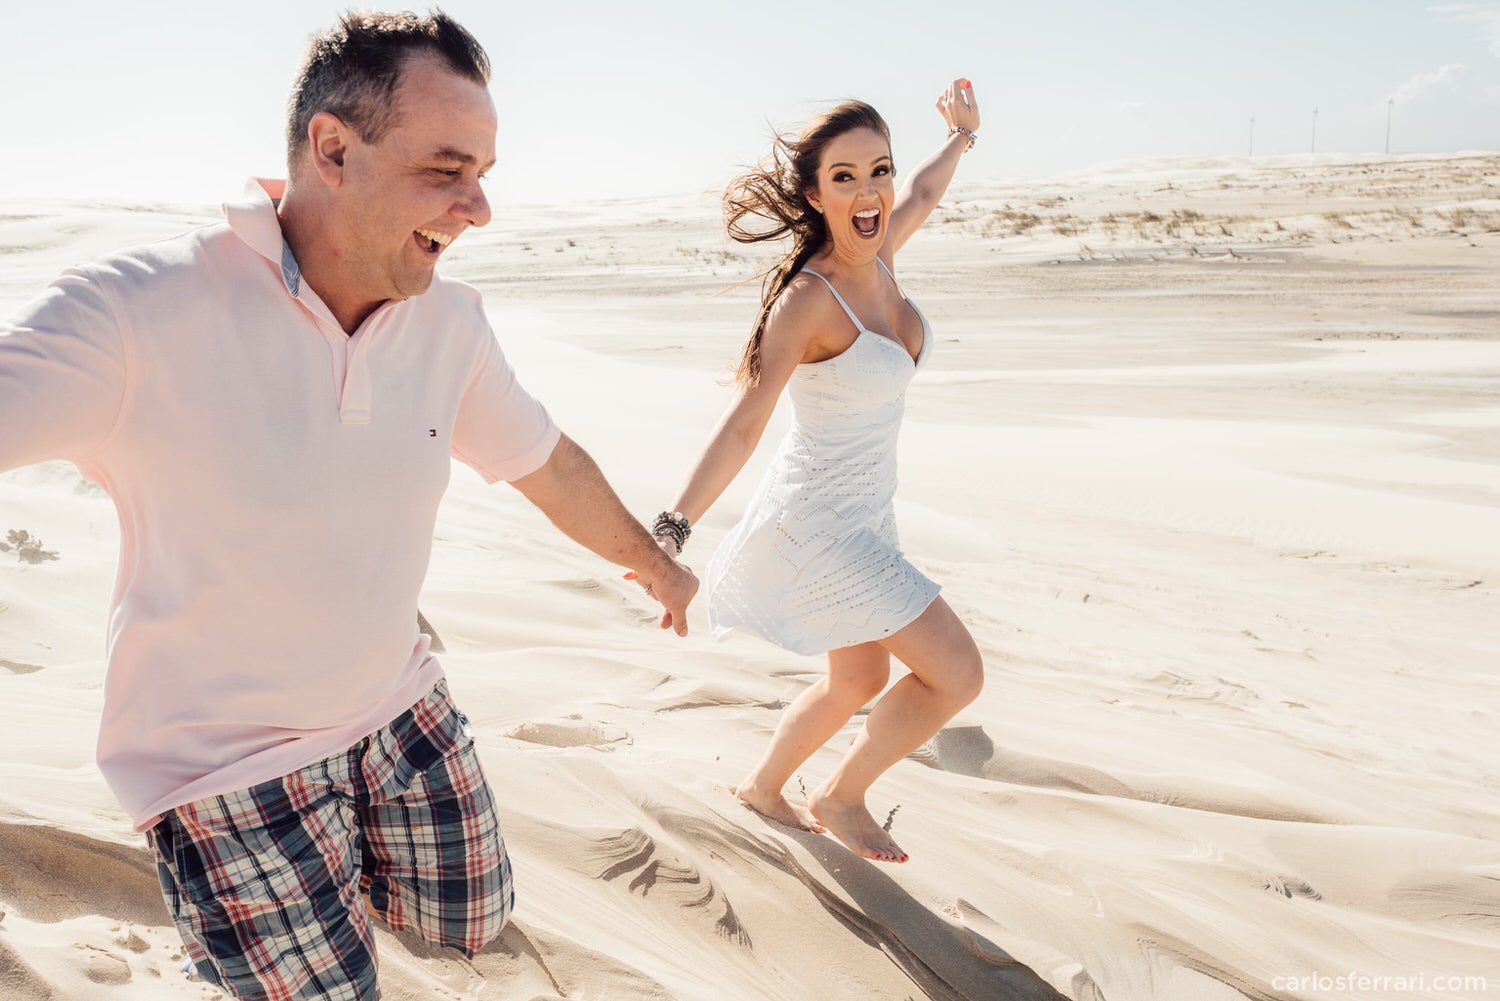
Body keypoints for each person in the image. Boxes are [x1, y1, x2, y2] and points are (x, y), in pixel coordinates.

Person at [0, 11, 696, 999]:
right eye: (448, 167)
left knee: (476, 914)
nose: (479, 206)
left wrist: (655, 561)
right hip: (226, 767)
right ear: (333, 146)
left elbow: (548, 463)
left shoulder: (448, 323)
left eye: (485, 170)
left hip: (397, 704)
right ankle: (252, 926)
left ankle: (307, 900)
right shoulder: (137, 313)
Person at [647, 82, 985, 864]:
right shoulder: (807, 300)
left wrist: (963, 136)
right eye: (845, 177)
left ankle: (764, 788)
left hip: (868, 516)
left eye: (880, 171)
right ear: (815, 193)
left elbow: (930, 186)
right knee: (957, 673)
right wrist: (672, 528)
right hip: (821, 526)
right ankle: (841, 795)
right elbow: (744, 423)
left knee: (859, 676)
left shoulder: (885, 251)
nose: (869, 191)